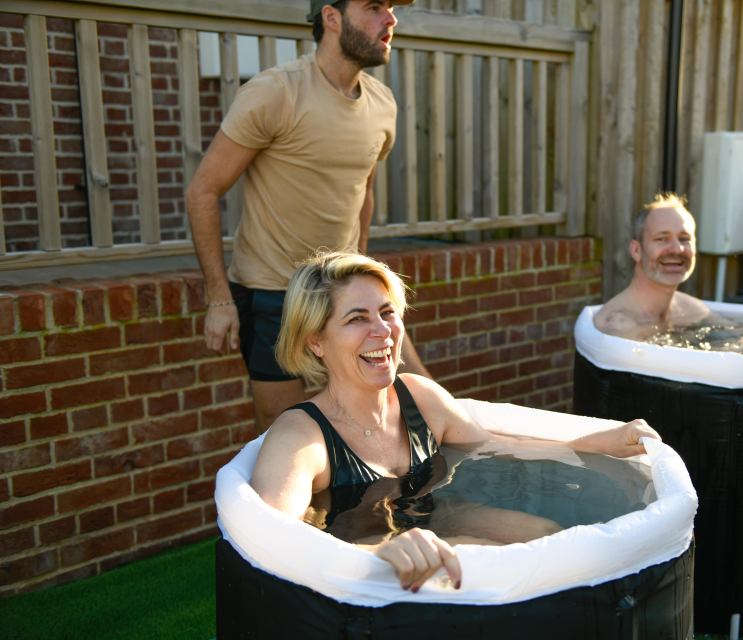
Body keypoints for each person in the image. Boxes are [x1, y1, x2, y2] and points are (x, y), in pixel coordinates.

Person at [251, 251, 662, 592]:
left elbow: (497, 445)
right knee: (479, 564)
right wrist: (377, 554)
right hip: (359, 554)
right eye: (357, 318)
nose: (383, 332)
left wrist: (600, 440)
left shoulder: (418, 397)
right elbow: (271, 540)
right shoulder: (301, 436)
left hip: (437, 516)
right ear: (316, 341)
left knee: (545, 533)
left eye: (387, 312)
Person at [186, 0, 428, 433]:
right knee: (283, 431)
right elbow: (203, 191)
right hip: (275, 293)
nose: (389, 20)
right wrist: (219, 299)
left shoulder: (381, 104)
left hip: (345, 293)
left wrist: (363, 275)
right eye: (374, 7)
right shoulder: (275, 92)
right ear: (331, 18)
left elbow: (363, 192)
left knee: (413, 400)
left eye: (391, 8)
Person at [593, 193, 710, 341]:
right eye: (662, 239)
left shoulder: (694, 310)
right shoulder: (617, 327)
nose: (677, 249)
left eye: (684, 239)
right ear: (636, 251)